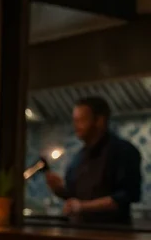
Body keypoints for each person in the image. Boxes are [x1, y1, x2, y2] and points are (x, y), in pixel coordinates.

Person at [45, 96, 141, 225]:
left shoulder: (123, 151)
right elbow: (74, 196)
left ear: (100, 121)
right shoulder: (78, 157)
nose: (76, 126)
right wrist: (59, 189)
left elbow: (126, 196)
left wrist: (83, 206)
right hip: (79, 232)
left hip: (113, 235)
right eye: (75, 121)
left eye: (81, 120)